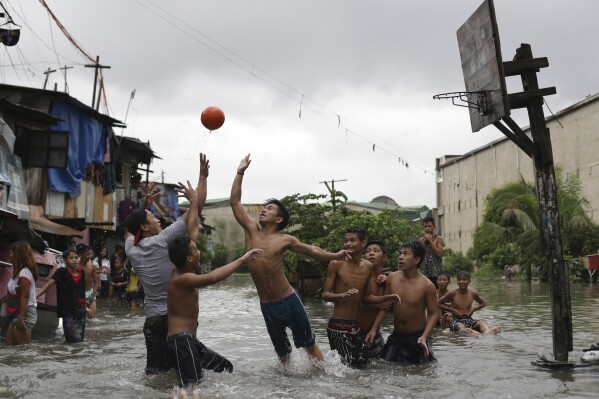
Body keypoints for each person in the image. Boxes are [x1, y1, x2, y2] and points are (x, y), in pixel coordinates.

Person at [230, 154, 352, 365]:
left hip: (288, 300)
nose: (263, 210)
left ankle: (323, 381)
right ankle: (287, 388)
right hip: (267, 304)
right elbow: (234, 201)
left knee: (309, 344)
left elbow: (312, 250)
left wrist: (335, 255)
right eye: (264, 207)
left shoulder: (284, 239)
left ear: (279, 219)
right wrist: (240, 172)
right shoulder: (251, 231)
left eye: (269, 209)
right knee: (282, 354)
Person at [125, 153, 209, 376]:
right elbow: (196, 210)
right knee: (180, 372)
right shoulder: (163, 240)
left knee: (153, 373)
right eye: (152, 217)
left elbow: (129, 229)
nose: (157, 218)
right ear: (144, 227)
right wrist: (202, 178)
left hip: (153, 320)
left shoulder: (130, 248)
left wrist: (145, 206)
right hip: (175, 318)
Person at [166, 235, 263, 387]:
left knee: (224, 368)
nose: (200, 252)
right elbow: (212, 277)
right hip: (181, 342)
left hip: (190, 341)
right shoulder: (181, 279)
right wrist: (241, 260)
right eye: (196, 249)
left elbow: (192, 232)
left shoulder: (181, 273)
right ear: (189, 258)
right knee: (192, 388)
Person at [322, 229, 398, 368]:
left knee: (362, 367)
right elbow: (325, 295)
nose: (348, 244)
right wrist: (342, 296)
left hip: (355, 327)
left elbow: (366, 298)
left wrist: (388, 297)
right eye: (345, 241)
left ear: (363, 243)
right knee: (349, 368)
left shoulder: (368, 266)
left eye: (352, 240)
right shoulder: (336, 263)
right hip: (339, 325)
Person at [365, 241, 438, 364]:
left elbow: (434, 314)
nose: (400, 257)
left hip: (418, 336)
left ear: (416, 259)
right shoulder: (392, 278)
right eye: (400, 254)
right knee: (383, 365)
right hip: (397, 336)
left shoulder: (427, 285)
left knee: (423, 370)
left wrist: (425, 336)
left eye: (405, 254)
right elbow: (386, 306)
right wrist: (374, 329)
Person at [37, 249, 87, 343]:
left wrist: (86, 308)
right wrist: (34, 297)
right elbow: (47, 286)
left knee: (80, 341)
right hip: (68, 313)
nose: (74, 260)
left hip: (80, 312)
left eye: (76, 257)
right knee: (71, 340)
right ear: (65, 260)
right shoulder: (61, 272)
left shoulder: (82, 273)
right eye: (71, 258)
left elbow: (81, 293)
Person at [438, 271, 501, 335]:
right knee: (460, 325)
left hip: (468, 319)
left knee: (481, 322)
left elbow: (483, 303)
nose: (462, 281)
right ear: (457, 282)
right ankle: (472, 332)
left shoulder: (472, 294)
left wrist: (473, 310)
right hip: (455, 320)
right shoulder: (452, 293)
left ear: (469, 281)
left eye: (464, 279)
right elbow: (438, 303)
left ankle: (487, 331)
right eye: (459, 279)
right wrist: (452, 310)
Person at [359, 240, 392, 359]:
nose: (371, 254)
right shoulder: (360, 277)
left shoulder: (386, 281)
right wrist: (377, 305)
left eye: (376, 251)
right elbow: (355, 304)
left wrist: (373, 329)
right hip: (356, 331)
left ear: (384, 257)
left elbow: (385, 307)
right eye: (368, 251)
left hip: (374, 332)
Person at [5, 240, 38, 345]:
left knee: (22, 350)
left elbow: (25, 297)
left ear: (19, 255)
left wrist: (21, 318)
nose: (10, 255)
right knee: (9, 345)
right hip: (17, 313)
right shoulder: (18, 272)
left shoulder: (24, 273)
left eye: (12, 253)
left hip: (24, 314)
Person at [420, 216, 443, 288]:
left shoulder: (438, 238)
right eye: (425, 226)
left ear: (434, 227)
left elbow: (439, 253)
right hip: (424, 273)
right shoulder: (421, 240)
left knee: (436, 293)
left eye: (430, 226)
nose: (427, 228)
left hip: (436, 273)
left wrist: (430, 241)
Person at [77, 244, 99, 318]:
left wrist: (92, 297)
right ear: (80, 255)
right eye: (87, 255)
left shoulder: (92, 266)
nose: (89, 257)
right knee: (79, 317)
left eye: (90, 254)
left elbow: (96, 283)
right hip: (78, 294)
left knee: (92, 317)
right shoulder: (75, 267)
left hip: (90, 293)